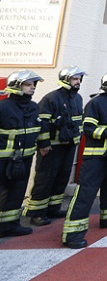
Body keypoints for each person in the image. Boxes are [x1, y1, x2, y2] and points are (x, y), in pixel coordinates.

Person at [62, 71, 107, 249]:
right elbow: (88, 129)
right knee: (85, 194)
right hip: (96, 156)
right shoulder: (95, 103)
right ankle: (72, 234)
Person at [25, 66, 84, 226]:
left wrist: (76, 139)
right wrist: (44, 143)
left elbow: (78, 122)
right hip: (52, 147)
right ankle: (37, 213)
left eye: (79, 79)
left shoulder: (77, 98)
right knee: (45, 179)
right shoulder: (52, 98)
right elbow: (42, 123)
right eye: (75, 79)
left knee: (62, 177)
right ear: (66, 79)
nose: (78, 82)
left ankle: (53, 208)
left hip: (69, 145)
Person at [0, 70, 48, 238]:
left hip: (25, 158)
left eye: (33, 84)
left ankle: (10, 225)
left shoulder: (34, 107)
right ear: (16, 86)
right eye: (28, 84)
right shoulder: (3, 107)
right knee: (2, 192)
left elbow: (39, 128)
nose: (32, 88)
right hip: (4, 160)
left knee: (17, 192)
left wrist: (44, 144)